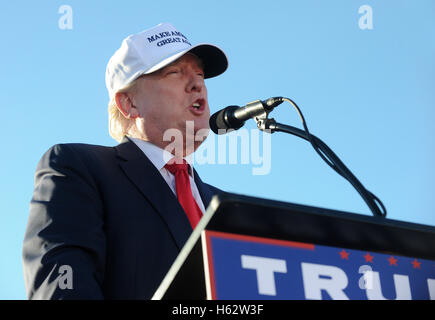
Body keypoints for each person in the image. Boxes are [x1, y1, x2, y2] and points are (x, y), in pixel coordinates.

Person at [22, 22, 228, 299]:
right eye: (175, 72)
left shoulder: (226, 206)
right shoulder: (78, 168)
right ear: (128, 103)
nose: (197, 84)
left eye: (200, 73)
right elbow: (62, 285)